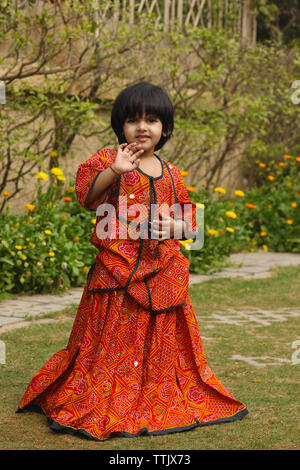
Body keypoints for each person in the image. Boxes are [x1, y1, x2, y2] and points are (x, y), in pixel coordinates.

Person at [17, 82, 248, 441]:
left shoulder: (172, 173)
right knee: (111, 345)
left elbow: (189, 221)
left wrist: (174, 225)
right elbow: (88, 197)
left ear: (165, 128)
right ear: (120, 126)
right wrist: (115, 170)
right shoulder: (109, 161)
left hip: (162, 274)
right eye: (133, 120)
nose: (142, 127)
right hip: (117, 275)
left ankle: (155, 392)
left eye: (152, 120)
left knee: (163, 349)